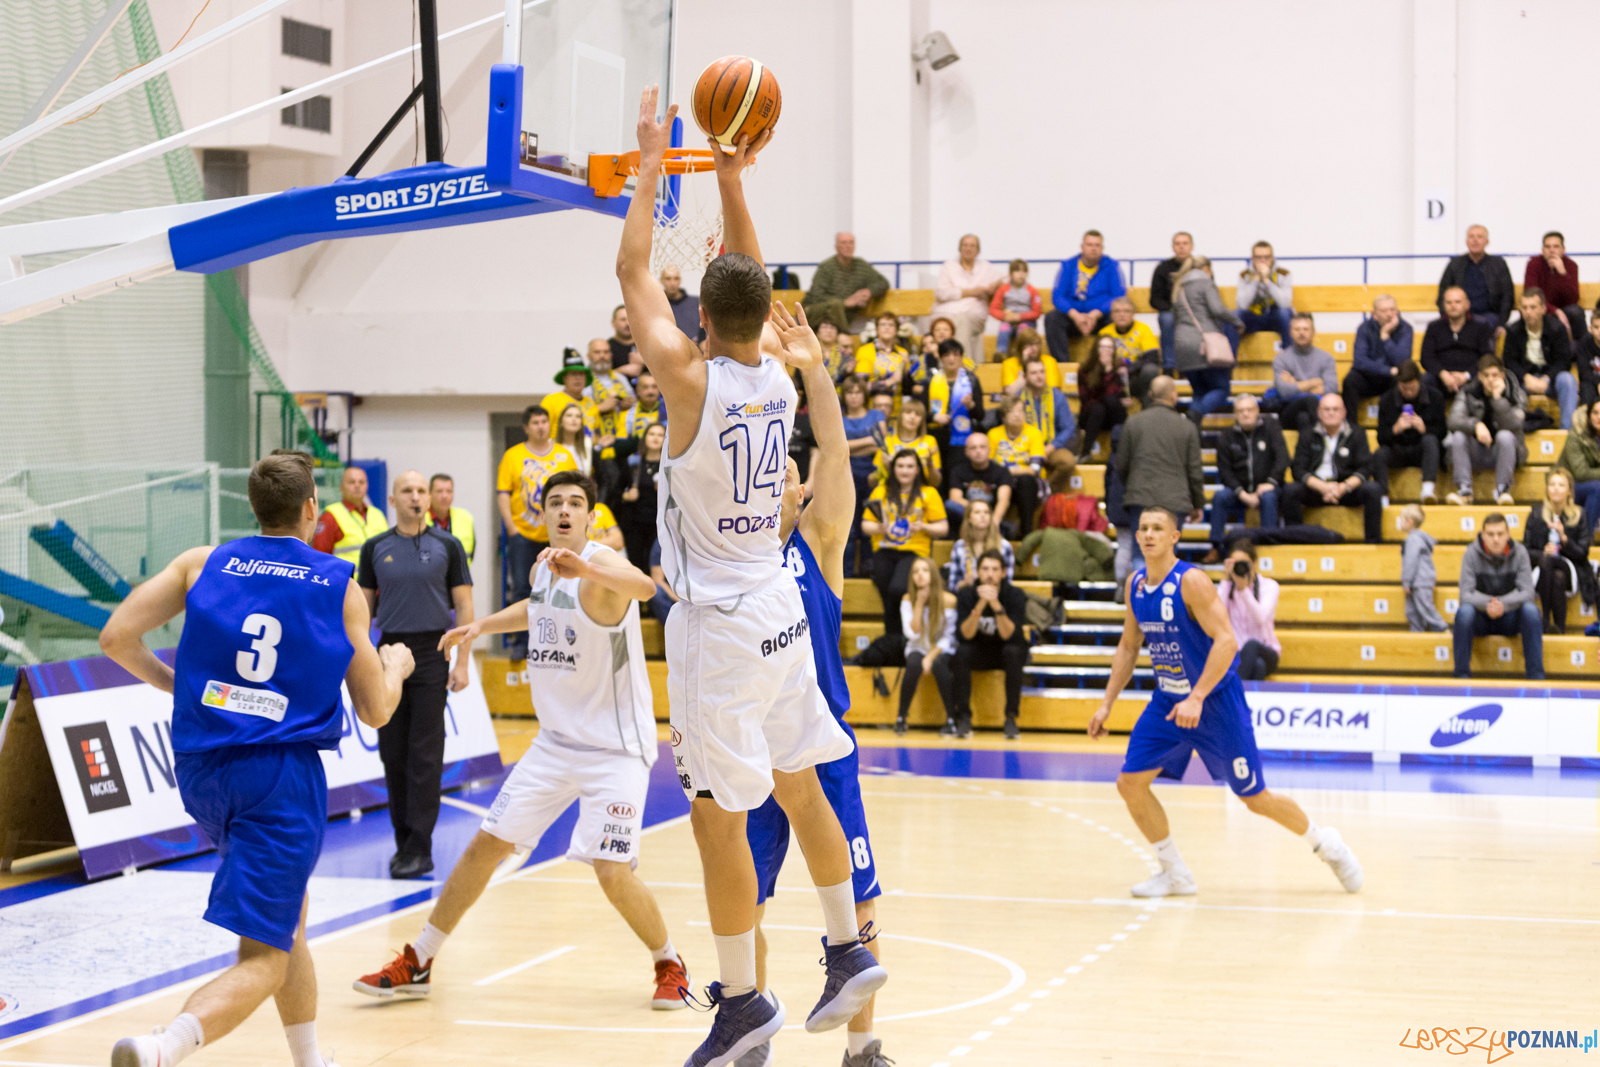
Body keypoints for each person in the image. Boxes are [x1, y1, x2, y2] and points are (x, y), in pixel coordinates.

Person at [617, 92, 884, 1064]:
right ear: (763, 314)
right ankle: (848, 945)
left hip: (721, 621)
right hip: (778, 603)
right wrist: (727, 175)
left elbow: (630, 268)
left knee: (713, 814)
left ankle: (740, 998)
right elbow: (752, 283)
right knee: (803, 781)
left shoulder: (689, 381)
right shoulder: (776, 368)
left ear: (700, 315)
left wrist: (652, 161)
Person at [102, 450, 414, 1067]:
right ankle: (164, 1048)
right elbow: (375, 709)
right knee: (265, 957)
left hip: (199, 770)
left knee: (286, 925)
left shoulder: (201, 563)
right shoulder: (337, 585)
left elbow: (115, 638)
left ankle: (310, 1061)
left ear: (254, 507)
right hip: (278, 776)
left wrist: (175, 684)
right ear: (309, 509)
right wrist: (397, 667)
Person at [355, 471, 688, 1007]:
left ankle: (668, 961)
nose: (564, 510)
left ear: (589, 515)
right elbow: (538, 611)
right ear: (541, 514)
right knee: (485, 847)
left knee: (611, 871)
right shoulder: (544, 568)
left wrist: (585, 567)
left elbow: (646, 588)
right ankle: (419, 959)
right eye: (554, 502)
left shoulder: (600, 563)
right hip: (555, 745)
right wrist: (479, 627)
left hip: (615, 750)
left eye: (575, 503)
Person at [1087, 505, 1363, 897]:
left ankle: (1326, 845)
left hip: (1215, 703)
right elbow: (1129, 646)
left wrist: (1198, 696)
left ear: (1173, 537)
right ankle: (1175, 873)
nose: (1148, 534)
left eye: (1157, 528)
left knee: (1255, 799)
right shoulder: (1135, 584)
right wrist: (1106, 704)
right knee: (1130, 783)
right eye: (1143, 528)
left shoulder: (1192, 582)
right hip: (1169, 702)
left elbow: (1227, 641)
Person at [747, 343, 895, 1067]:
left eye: (785, 469)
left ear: (799, 487)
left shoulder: (818, 544)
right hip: (751, 755)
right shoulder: (731, 559)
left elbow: (835, 449)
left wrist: (813, 369)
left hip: (823, 748)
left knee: (860, 903)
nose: (774, 478)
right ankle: (748, 1031)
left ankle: (862, 1048)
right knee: (742, 903)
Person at [358, 471, 474, 879]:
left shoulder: (449, 545)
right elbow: (363, 611)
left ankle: (420, 848)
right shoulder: (375, 547)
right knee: (393, 751)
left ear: (430, 499)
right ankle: (402, 842)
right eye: (407, 490)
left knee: (425, 752)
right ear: (393, 500)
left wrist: (461, 661)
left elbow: (464, 608)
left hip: (432, 652)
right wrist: (360, 659)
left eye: (421, 490)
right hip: (388, 651)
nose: (415, 497)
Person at [497, 406, 578, 661]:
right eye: (535, 422)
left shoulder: (564, 456)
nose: (541, 426)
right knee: (522, 587)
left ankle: (561, 640)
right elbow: (503, 493)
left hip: (558, 536)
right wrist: (511, 528)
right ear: (526, 427)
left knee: (563, 587)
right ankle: (523, 642)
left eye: (545, 421)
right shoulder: (513, 455)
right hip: (522, 534)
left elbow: (576, 490)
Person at [1113, 376, 1204, 590]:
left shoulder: (1133, 422)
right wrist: (1198, 503)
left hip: (1140, 498)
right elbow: (1195, 471)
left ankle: (1139, 603)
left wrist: (1133, 486)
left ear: (1151, 396)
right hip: (1175, 500)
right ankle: (1162, 603)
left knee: (1141, 552)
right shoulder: (1187, 427)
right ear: (1174, 396)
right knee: (1167, 555)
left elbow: (1121, 464)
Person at [861, 448, 948, 639]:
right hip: (884, 549)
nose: (905, 470)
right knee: (886, 592)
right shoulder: (881, 491)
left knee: (898, 589)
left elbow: (943, 528)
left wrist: (924, 526)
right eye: (900, 466)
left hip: (915, 552)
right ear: (893, 469)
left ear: (917, 470)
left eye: (910, 466)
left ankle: (904, 637)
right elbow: (865, 525)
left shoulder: (929, 493)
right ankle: (894, 640)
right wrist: (879, 528)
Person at [949, 550, 1030, 740]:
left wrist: (995, 605)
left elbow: (1009, 634)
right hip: (978, 649)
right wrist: (980, 605)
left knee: (1013, 652)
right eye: (985, 569)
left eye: (995, 569)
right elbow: (965, 635)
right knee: (960, 653)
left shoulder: (1015, 595)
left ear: (1003, 573)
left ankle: (1010, 717)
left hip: (1005, 651)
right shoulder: (967, 595)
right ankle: (964, 717)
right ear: (977, 572)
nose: (990, 574)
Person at [1281, 394, 1384, 541]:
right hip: (1316, 488)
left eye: (1335, 409)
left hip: (1346, 489)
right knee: (1290, 491)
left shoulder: (1357, 433)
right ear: (1319, 413)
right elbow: (1298, 469)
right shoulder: (1307, 434)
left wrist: (1343, 487)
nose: (1331, 413)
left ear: (1343, 412)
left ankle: (1373, 543)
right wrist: (1323, 487)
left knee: (1373, 489)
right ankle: (1296, 541)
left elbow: (1365, 468)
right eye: (1326, 409)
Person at [1452, 513, 1542, 680]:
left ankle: (1536, 678)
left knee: (1531, 611)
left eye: (1500, 534)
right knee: (1464, 613)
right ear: (1483, 535)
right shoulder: (1471, 553)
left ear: (1508, 534)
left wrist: (1503, 605)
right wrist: (1489, 604)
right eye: (1491, 534)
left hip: (1510, 617)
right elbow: (1465, 595)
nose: (1495, 539)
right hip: (1481, 618)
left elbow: (1528, 592)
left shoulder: (1520, 552)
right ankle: (1461, 678)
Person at [1208, 395, 1287, 558]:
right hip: (1240, 491)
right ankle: (1216, 547)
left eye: (1249, 409)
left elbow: (1283, 458)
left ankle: (1267, 546)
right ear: (1235, 413)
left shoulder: (1271, 428)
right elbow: (1224, 471)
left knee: (1269, 497)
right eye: (1241, 410)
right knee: (1220, 497)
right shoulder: (1226, 436)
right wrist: (1242, 494)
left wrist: (1270, 482)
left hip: (1268, 487)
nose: (1245, 414)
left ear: (1257, 411)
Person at [1169, 254, 1242, 429]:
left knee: (1199, 393)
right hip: (1205, 345)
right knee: (1222, 389)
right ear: (1206, 270)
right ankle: (1194, 415)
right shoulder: (1205, 283)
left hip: (1183, 347)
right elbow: (1217, 309)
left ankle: (1192, 431)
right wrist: (1236, 321)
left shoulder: (1179, 288)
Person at [1445, 354, 1526, 507]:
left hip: (1504, 453)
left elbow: (1515, 424)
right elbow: (1453, 420)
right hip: (1476, 451)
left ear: (1502, 375)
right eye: (1486, 375)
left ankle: (1503, 490)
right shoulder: (1468, 392)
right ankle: (1464, 490)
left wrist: (1498, 400)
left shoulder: (1515, 393)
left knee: (1505, 436)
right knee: (1458, 436)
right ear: (1479, 377)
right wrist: (1475, 425)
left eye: (1495, 375)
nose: (1491, 379)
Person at [1522, 467, 1595, 635]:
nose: (1555, 488)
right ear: (1547, 489)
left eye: (1561, 485)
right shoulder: (1536, 513)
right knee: (1556, 577)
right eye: (1552, 484)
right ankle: (1559, 629)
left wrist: (1564, 539)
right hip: (1543, 568)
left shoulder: (1580, 514)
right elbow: (1525, 550)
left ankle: (1545, 619)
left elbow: (1583, 553)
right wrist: (1543, 553)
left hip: (1572, 567)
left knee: (1557, 569)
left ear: (1569, 490)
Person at [1372, 361, 1447, 504]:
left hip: (1422, 451)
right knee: (1379, 454)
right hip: (1398, 449)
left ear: (1419, 381)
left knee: (1430, 440)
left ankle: (1427, 490)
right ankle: (1383, 497)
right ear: (1398, 384)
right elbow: (1381, 437)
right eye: (1404, 388)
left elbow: (1442, 432)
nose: (1408, 392)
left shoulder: (1435, 396)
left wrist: (1424, 428)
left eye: (1412, 388)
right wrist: (1395, 429)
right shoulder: (1387, 399)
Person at [1502, 287, 1577, 429]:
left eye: (1533, 307)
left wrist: (1546, 378)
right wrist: (1525, 377)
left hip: (1551, 379)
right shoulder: (1513, 330)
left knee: (1568, 380)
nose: (1528, 312)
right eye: (1524, 307)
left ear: (1543, 309)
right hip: (1525, 380)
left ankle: (1566, 433)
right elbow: (1509, 361)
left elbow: (1563, 361)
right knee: (1506, 382)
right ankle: (1516, 429)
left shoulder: (1557, 328)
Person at [1044, 230, 1125, 359]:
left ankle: (1110, 367)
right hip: (1073, 319)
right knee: (1052, 318)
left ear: (1102, 248)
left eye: (1097, 245)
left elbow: (1118, 296)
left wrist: (1096, 314)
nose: (1093, 248)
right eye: (1090, 245)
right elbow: (1058, 296)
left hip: (1100, 320)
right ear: (1082, 247)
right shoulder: (1068, 266)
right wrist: (1075, 315)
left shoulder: (1111, 266)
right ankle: (1064, 367)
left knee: (1116, 316)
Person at [897, 557, 955, 736]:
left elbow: (949, 637)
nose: (920, 575)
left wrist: (930, 656)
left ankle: (951, 719)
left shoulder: (949, 600)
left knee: (939, 665)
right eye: (915, 571)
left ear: (933, 574)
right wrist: (919, 604)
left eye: (925, 570)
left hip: (941, 648)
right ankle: (901, 717)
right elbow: (912, 634)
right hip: (918, 646)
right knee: (913, 664)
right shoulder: (908, 599)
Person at [930, 233, 1003, 364]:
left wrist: (995, 285)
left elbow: (1005, 279)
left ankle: (962, 367)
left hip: (973, 316)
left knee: (963, 321)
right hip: (947, 314)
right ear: (959, 248)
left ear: (978, 250)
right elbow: (941, 293)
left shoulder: (986, 267)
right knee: (943, 325)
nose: (968, 249)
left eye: (972, 246)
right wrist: (971, 292)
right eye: (965, 245)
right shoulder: (949, 266)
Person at [841, 374, 888, 576]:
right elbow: (838, 449)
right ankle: (847, 574)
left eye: (858, 392)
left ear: (864, 394)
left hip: (874, 476)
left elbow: (882, 444)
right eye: (849, 392)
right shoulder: (838, 418)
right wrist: (869, 440)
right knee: (849, 530)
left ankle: (871, 572)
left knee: (871, 523)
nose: (853, 397)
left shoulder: (877, 415)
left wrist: (849, 447)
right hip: (846, 478)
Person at [1342, 294, 1415, 418]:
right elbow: (1359, 361)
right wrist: (1388, 370)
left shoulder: (1406, 329)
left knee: (1402, 381)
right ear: (1374, 314)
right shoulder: (1364, 329)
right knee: (1350, 381)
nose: (1389, 314)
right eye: (1384, 311)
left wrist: (1385, 336)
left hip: (1392, 380)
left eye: (1392, 310)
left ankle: (1394, 427)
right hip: (1369, 378)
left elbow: (1402, 361)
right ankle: (1351, 428)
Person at [1217, 540, 1280, 680]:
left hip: (1265, 650)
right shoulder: (1227, 588)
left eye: (1244, 563)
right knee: (1258, 666)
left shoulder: (1269, 586)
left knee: (1251, 646)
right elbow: (1217, 616)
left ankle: (1232, 694)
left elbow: (1261, 617)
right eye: (1235, 564)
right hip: (1236, 654)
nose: (1240, 568)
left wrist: (1244, 590)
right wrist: (1227, 579)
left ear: (1254, 563)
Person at [804, 231, 890, 332]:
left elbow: (883, 283)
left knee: (837, 306)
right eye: (843, 243)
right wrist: (845, 303)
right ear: (836, 247)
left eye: (851, 242)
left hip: (843, 315)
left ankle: (843, 339)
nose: (848, 246)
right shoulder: (826, 267)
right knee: (835, 305)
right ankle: (845, 336)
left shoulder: (861, 265)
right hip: (816, 313)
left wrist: (869, 291)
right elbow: (816, 296)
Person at [1420, 286, 1496, 399]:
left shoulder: (1481, 327)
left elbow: (1486, 356)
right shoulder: (1434, 327)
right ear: (1444, 305)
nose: (1453, 305)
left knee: (1487, 380)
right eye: (1449, 302)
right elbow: (1426, 357)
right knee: (1422, 381)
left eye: (1458, 302)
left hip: (1472, 378)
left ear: (1467, 304)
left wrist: (1466, 375)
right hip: (1440, 379)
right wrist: (1443, 374)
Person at [1435, 224, 1514, 331]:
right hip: (1460, 316)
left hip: (1489, 316)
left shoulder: (1498, 264)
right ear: (1466, 241)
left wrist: (1501, 324)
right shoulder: (1455, 264)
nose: (1475, 240)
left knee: (1481, 327)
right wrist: (1446, 316)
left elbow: (1507, 296)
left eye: (1479, 237)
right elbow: (1443, 293)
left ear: (1487, 242)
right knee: (1435, 328)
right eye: (1471, 237)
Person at [1269, 312, 1338, 433]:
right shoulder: (1281, 359)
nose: (1301, 333)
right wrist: (1314, 382)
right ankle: (1326, 440)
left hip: (1317, 410)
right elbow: (1284, 391)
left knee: (1304, 419)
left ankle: (1312, 449)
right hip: (1288, 411)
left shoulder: (1326, 358)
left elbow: (1332, 388)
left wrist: (1296, 383)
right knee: (1310, 400)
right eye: (1297, 329)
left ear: (1313, 332)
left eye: (1305, 329)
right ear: (1290, 332)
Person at [988, 395, 1048, 533]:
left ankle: (1026, 533)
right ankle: (996, 532)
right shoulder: (993, 434)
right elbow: (989, 467)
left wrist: (1007, 471)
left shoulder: (1034, 433)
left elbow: (1035, 469)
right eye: (1012, 411)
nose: (1017, 415)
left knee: (1026, 481)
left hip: (1026, 484)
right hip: (1001, 482)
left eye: (1020, 411)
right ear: (1003, 417)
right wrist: (1015, 470)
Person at [928, 339, 983, 481]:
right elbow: (920, 411)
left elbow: (980, 415)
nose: (951, 359)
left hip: (962, 437)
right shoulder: (930, 380)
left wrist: (971, 405)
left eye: (956, 354)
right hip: (936, 434)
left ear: (961, 357)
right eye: (946, 355)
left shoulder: (971, 380)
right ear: (940, 358)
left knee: (956, 475)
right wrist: (934, 417)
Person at [615, 420, 667, 572]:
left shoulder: (669, 465)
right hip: (634, 524)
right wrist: (626, 496)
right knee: (636, 564)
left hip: (658, 525)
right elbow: (614, 491)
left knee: (656, 566)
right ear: (644, 438)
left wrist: (665, 490)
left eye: (660, 435)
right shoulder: (632, 462)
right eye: (651, 434)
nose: (656, 438)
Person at [311, 465, 387, 564]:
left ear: (367, 486)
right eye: (351, 482)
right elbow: (319, 558)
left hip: (378, 579)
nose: (357, 485)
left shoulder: (378, 515)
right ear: (341, 487)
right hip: (345, 579)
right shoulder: (330, 516)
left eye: (361, 482)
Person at [1076, 336, 1132, 460]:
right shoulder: (1085, 370)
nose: (1106, 350)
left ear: (1114, 350)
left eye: (1109, 347)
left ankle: (1123, 454)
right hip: (1091, 415)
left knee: (1111, 401)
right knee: (1098, 407)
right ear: (1096, 349)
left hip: (1112, 414)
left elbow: (1122, 395)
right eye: (1102, 347)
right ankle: (1085, 453)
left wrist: (1112, 373)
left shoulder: (1120, 368)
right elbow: (1086, 400)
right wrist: (1106, 373)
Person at [945, 432, 1014, 530]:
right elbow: (955, 498)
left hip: (991, 513)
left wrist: (994, 520)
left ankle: (996, 528)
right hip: (968, 513)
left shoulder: (1001, 471)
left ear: (989, 450)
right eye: (973, 448)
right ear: (966, 452)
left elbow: (1003, 500)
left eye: (982, 447)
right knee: (950, 505)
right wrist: (978, 512)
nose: (978, 451)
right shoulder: (958, 470)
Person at [943, 497, 1014, 590]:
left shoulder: (1004, 546)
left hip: (997, 596)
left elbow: (1008, 583)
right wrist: (965, 583)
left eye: (986, 512)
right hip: (968, 597)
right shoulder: (959, 546)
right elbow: (953, 585)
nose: (982, 516)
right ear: (969, 519)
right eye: (977, 512)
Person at [1525, 231, 1586, 337]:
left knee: (1576, 312)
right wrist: (1555, 310)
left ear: (1563, 249)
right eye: (1547, 246)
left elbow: (1573, 299)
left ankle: (1581, 350)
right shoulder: (1533, 264)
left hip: (1566, 310)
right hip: (1542, 310)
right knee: (1538, 314)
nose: (1552, 250)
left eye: (1556, 246)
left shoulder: (1571, 265)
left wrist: (1562, 273)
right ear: (1542, 249)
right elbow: (1531, 294)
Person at [1398, 504, 1448, 633]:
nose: (1399, 522)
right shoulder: (1414, 538)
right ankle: (1417, 634)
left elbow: (1411, 561)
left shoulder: (1414, 539)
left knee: (1425, 608)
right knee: (1411, 611)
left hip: (1420, 581)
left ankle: (1442, 628)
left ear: (1409, 522)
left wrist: (1406, 581)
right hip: (1416, 581)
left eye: (1401, 519)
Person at [1235, 241, 1294, 348]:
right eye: (1258, 257)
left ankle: (1288, 359)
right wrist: (1256, 279)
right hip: (1254, 317)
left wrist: (1267, 280)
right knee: (1235, 315)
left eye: (1267, 257)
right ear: (1252, 259)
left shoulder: (1283, 273)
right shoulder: (1244, 275)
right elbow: (1242, 305)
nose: (1263, 261)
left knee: (1285, 313)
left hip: (1275, 317)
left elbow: (1285, 304)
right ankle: (1229, 361)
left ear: (1272, 258)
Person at [1148, 231, 1193, 371]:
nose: (1181, 247)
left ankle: (1191, 368)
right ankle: (1169, 367)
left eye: (1185, 243)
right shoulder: (1163, 268)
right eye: (1177, 244)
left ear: (1191, 246)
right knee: (1167, 320)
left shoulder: (1199, 267)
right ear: (1173, 247)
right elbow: (1155, 299)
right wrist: (1174, 309)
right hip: (1170, 311)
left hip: (1194, 311)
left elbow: (1208, 292)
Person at [874, 398, 940, 487]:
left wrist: (929, 464)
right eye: (908, 413)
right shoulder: (887, 441)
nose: (912, 417)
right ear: (900, 416)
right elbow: (872, 481)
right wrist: (884, 468)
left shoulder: (930, 441)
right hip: (890, 492)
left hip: (921, 493)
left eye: (918, 414)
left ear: (922, 420)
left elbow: (936, 482)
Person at [1018, 352, 1077, 451]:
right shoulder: (1018, 398)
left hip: (1053, 447)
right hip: (1024, 447)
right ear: (1025, 376)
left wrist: (1051, 447)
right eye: (1034, 373)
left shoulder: (1058, 396)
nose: (1039, 376)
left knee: (1067, 462)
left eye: (1042, 372)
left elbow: (1068, 428)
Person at [1560, 402, 1600, 533]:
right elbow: (1580, 473)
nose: (1599, 417)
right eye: (1595, 412)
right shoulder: (1576, 435)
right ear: (1588, 415)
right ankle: (1585, 537)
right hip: (1569, 485)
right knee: (1597, 488)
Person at [989, 257, 1041, 355]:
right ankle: (1001, 353)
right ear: (1010, 274)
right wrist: (1004, 316)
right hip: (1008, 320)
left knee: (1023, 328)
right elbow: (993, 309)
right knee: (1004, 327)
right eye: (1017, 270)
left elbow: (1036, 312)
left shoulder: (1032, 290)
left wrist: (1019, 316)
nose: (1021, 274)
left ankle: (1021, 354)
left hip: (1027, 322)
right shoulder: (1003, 289)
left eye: (1024, 271)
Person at [854, 311, 911, 399]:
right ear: (877, 329)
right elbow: (861, 385)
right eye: (883, 324)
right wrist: (890, 382)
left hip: (897, 406)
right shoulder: (865, 350)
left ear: (896, 330)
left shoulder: (902, 353)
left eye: (891, 325)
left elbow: (908, 387)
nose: (887, 328)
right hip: (872, 405)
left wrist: (906, 372)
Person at [422, 473, 475, 563]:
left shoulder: (465, 517)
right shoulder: (419, 519)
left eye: (449, 491)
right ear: (429, 494)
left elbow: (471, 552)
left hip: (459, 575)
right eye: (439, 491)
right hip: (429, 576)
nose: (444, 496)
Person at [1097, 296, 1160, 363]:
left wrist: (1130, 369)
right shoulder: (1104, 333)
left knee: (1151, 369)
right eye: (1117, 311)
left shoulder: (1143, 329)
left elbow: (1152, 356)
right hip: (1113, 371)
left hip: (1137, 370)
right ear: (1111, 315)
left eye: (1126, 311)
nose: (1121, 314)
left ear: (1133, 313)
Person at [1000, 328, 1060, 395]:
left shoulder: (1049, 361)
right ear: (1021, 347)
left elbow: (1053, 391)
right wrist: (1025, 365)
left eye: (1037, 344)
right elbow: (1009, 393)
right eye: (1030, 344)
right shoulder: (1009, 364)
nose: (1034, 348)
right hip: (1019, 402)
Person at [662, 264, 705, 342]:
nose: (672, 283)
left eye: (676, 278)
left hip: (696, 351)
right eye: (668, 279)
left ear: (680, 280)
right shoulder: (656, 306)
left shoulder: (696, 303)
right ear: (662, 280)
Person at [555, 401, 595, 478]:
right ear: (561, 422)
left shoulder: (588, 444)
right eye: (569, 416)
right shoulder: (550, 444)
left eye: (578, 416)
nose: (574, 419)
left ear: (581, 424)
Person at [608, 304, 645, 379]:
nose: (627, 323)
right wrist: (621, 371)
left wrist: (646, 362)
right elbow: (599, 377)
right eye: (623, 320)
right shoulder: (607, 348)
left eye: (630, 319)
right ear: (613, 322)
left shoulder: (645, 345)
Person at [1575, 307, 1600, 409]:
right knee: (1586, 386)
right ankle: (1585, 422)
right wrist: (1598, 383)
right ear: (1590, 329)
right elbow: (1584, 372)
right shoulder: (1584, 343)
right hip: (1592, 383)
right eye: (1596, 327)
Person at [817, 319, 853, 384]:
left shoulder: (845, 355)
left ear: (837, 333)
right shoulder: (811, 354)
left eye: (832, 328)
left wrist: (848, 372)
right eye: (824, 327)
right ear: (817, 332)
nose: (829, 331)